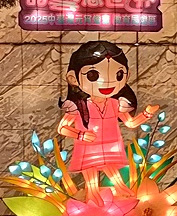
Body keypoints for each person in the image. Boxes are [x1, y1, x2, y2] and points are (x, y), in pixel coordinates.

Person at [58, 41, 158, 204]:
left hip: (111, 146)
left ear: (126, 76)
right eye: (93, 75)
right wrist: (80, 134)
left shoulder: (115, 104)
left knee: (115, 175)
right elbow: (62, 128)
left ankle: (122, 195)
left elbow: (131, 123)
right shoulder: (78, 106)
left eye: (118, 75)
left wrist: (146, 114)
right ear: (73, 79)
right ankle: (92, 200)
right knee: (91, 179)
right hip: (89, 148)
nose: (107, 82)